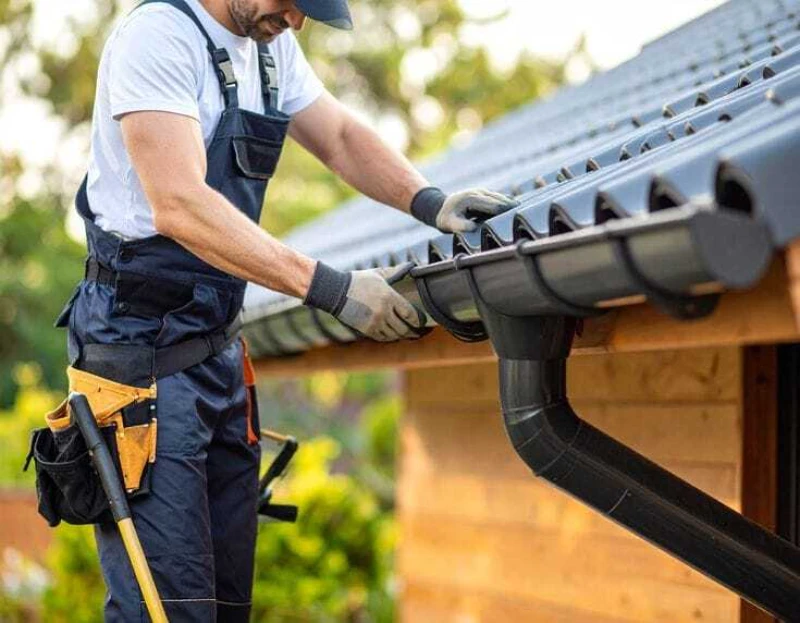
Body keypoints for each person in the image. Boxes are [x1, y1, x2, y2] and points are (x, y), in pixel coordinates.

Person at [60, 0, 517, 619]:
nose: (298, 21)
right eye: (293, 4)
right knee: (168, 609)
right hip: (139, 360)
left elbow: (340, 138)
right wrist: (334, 290)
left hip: (216, 352)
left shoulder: (270, 47)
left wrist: (430, 201)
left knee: (225, 603)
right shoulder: (159, 37)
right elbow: (178, 203)